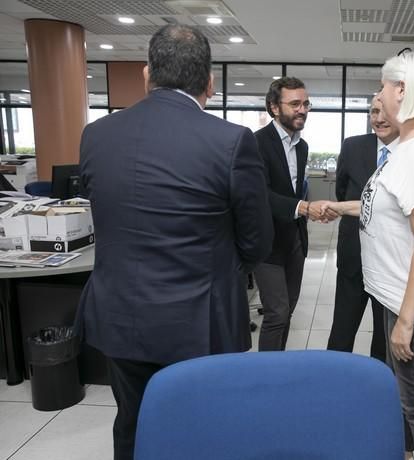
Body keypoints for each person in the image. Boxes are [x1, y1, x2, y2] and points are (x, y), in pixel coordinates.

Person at [77, 24, 272, 460]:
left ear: (146, 75)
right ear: (210, 82)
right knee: (203, 429)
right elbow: (257, 243)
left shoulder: (97, 135)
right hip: (201, 322)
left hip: (121, 315)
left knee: (133, 419)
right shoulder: (230, 140)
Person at [323, 50, 414, 460]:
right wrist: (340, 208)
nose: (379, 98)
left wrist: (406, 321)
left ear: (402, 90)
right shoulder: (407, 145)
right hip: (395, 293)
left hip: (413, 304)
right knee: (406, 400)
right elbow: (385, 205)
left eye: (384, 87)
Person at [254, 77, 336, 351]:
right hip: (267, 244)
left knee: (287, 311)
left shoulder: (301, 146)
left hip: (294, 241)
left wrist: (308, 211)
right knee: (276, 314)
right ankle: (265, 379)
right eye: (295, 104)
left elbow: (293, 190)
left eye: (306, 104)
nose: (302, 110)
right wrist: (302, 207)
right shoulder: (256, 143)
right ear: (274, 108)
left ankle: (279, 366)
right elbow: (258, 193)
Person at [326, 97, 399, 362]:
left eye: (385, 111)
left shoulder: (413, 153)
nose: (378, 118)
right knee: (342, 330)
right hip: (353, 254)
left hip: (391, 262)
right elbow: (342, 192)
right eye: (373, 111)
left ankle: (377, 387)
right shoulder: (353, 146)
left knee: (384, 336)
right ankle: (333, 381)